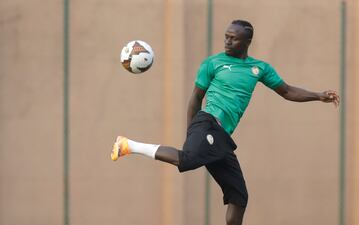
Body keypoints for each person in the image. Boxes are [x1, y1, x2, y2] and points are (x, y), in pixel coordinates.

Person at [110, 19, 340, 225]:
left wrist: (318, 95)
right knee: (187, 159)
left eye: (233, 38)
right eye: (226, 37)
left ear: (247, 41)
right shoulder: (213, 63)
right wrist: (192, 133)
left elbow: (287, 91)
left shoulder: (259, 68)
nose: (227, 41)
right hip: (207, 123)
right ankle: (128, 145)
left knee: (239, 196)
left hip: (222, 137)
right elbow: (195, 99)